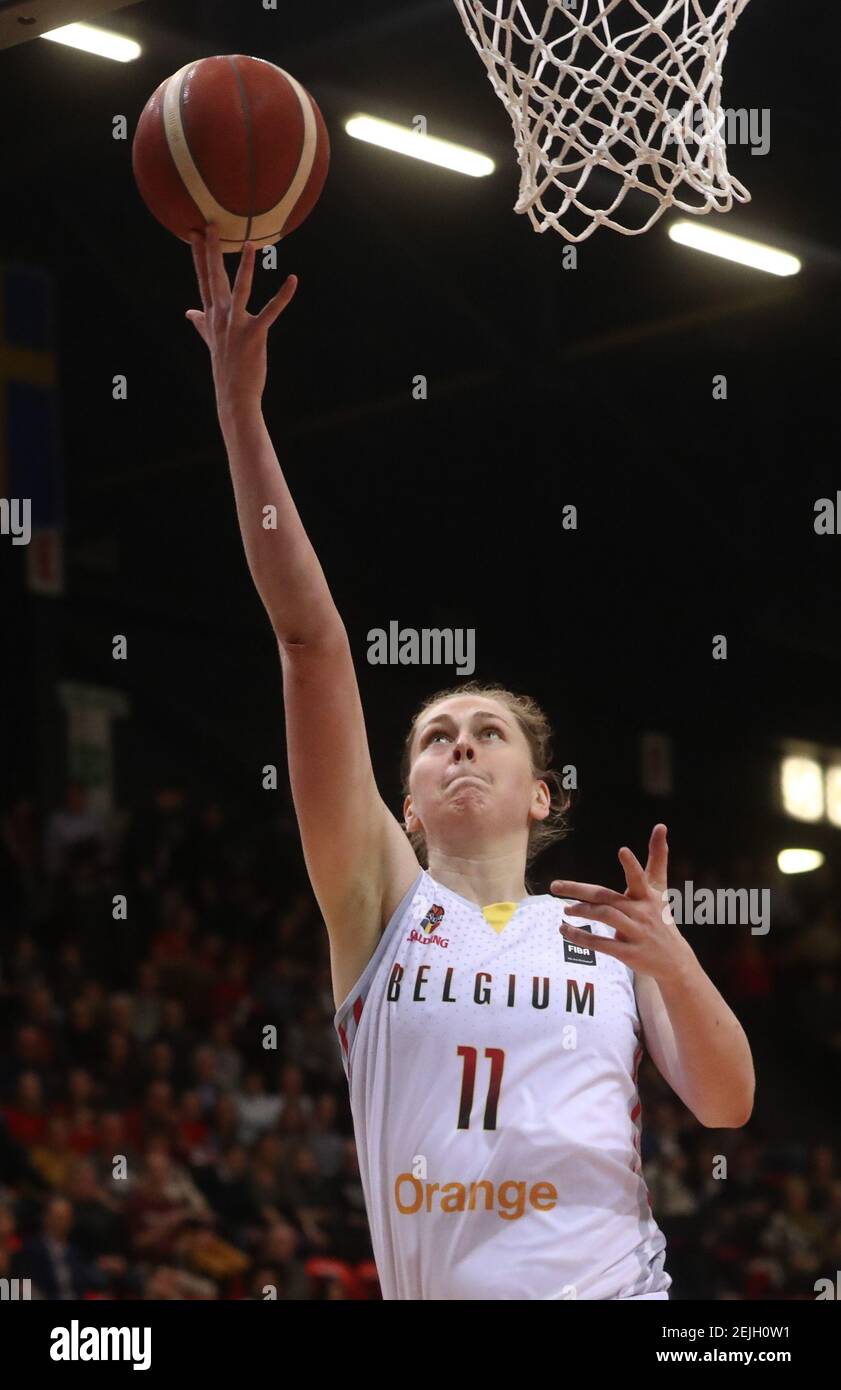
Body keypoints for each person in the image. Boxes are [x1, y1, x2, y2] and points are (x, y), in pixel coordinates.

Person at [186, 224, 756, 1301]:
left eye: (486, 731)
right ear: (403, 802)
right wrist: (239, 411)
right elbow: (310, 641)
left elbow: (726, 1103)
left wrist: (673, 958)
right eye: (435, 736)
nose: (458, 744)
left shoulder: (610, 937)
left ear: (539, 794)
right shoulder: (378, 907)